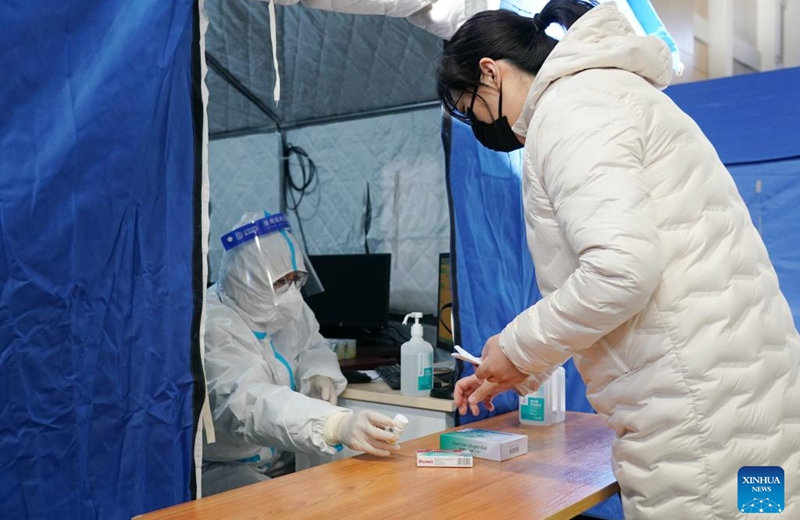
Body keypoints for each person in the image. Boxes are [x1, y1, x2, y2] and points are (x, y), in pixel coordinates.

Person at [439, 1, 800, 518]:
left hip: (693, 421)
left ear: (489, 73)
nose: (479, 124)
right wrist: (526, 367)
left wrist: (516, 348)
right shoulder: (613, 93)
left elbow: (619, 273)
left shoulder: (571, 110)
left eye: (469, 105)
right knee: (763, 508)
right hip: (741, 405)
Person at [202, 211, 401, 496]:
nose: (292, 292)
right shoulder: (214, 325)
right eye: (280, 282)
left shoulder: (286, 305)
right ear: (247, 282)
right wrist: (333, 423)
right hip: (224, 465)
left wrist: (319, 372)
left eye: (296, 278)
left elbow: (312, 344)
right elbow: (247, 402)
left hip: (280, 454)